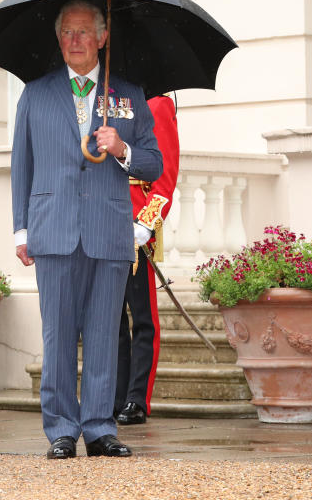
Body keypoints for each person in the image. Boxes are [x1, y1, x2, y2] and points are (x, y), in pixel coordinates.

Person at [11, 0, 162, 460]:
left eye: (83, 32)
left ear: (102, 38)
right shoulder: (34, 94)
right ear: (59, 40)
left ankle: (99, 427)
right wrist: (21, 230)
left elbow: (154, 164)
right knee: (57, 335)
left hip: (108, 230)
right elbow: (22, 165)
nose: (74, 41)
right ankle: (59, 428)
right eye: (67, 33)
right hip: (53, 229)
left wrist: (121, 149)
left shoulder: (129, 96)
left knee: (102, 334)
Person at [113, 93, 180, 425]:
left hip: (138, 221)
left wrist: (145, 225)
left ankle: (137, 398)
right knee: (109, 319)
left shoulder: (157, 103)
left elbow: (165, 179)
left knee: (140, 316)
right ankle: (114, 395)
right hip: (105, 219)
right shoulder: (106, 100)